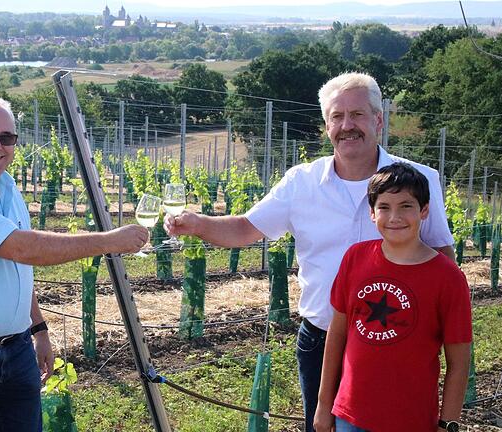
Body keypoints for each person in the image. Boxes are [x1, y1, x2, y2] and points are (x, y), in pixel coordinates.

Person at [164, 72, 455, 431]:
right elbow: (244, 228)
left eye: (358, 115)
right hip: (321, 339)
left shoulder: (419, 180)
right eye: (337, 116)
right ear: (326, 125)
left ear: (378, 120)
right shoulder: (301, 183)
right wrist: (196, 222)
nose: (347, 125)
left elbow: (442, 257)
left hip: (396, 341)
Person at [0, 94, 148, 432]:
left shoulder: (7, 187)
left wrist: (38, 329)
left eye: (7, 138)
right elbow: (22, 249)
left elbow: (18, 269)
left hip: (16, 347)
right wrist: (109, 241)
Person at [313, 162, 472, 432]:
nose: (395, 217)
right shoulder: (355, 258)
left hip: (412, 419)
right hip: (350, 416)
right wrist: (323, 403)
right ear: (372, 214)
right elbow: (337, 334)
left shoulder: (448, 277)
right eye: (384, 207)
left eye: (406, 206)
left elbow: (459, 362)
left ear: (424, 210)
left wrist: (448, 423)